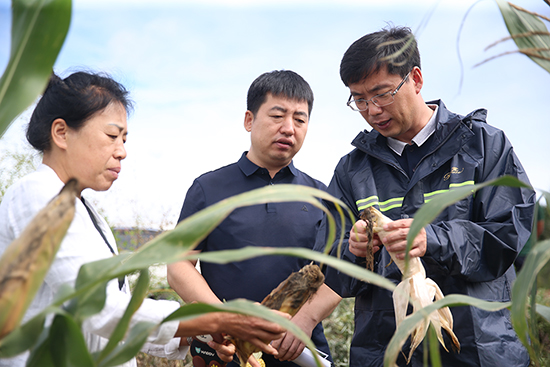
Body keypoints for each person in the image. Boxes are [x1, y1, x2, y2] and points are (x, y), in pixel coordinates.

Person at [0, 71, 288, 367]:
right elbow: (98, 311)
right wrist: (218, 318)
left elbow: (119, 322)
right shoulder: (36, 195)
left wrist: (198, 334)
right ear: (61, 133)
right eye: (112, 136)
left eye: (124, 139)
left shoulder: (85, 213)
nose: (122, 152)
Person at [316, 26, 535, 366]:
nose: (372, 110)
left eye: (382, 94)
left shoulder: (483, 146)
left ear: (415, 79)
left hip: (477, 349)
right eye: (359, 100)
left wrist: (432, 239)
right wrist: (354, 250)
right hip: (385, 353)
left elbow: (507, 235)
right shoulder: (351, 170)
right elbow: (327, 260)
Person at [167, 70, 333, 367]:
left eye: (300, 119)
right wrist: (224, 319)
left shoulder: (321, 196)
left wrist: (305, 321)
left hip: (299, 350)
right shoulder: (209, 188)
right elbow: (179, 265)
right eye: (277, 115)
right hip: (223, 351)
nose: (288, 128)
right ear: (249, 120)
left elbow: (338, 276)